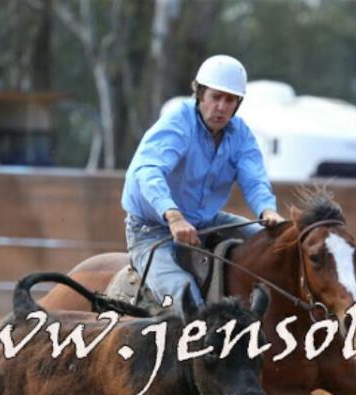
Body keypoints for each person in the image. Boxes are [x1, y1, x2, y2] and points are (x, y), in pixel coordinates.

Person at [121, 54, 286, 314]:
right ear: (200, 94)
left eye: (230, 100)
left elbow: (254, 180)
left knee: (276, 246)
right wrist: (174, 217)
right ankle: (198, 333)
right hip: (151, 229)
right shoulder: (178, 121)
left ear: (238, 103)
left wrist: (268, 211)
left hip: (205, 222)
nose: (221, 107)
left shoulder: (241, 134)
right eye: (215, 97)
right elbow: (148, 170)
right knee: (182, 293)